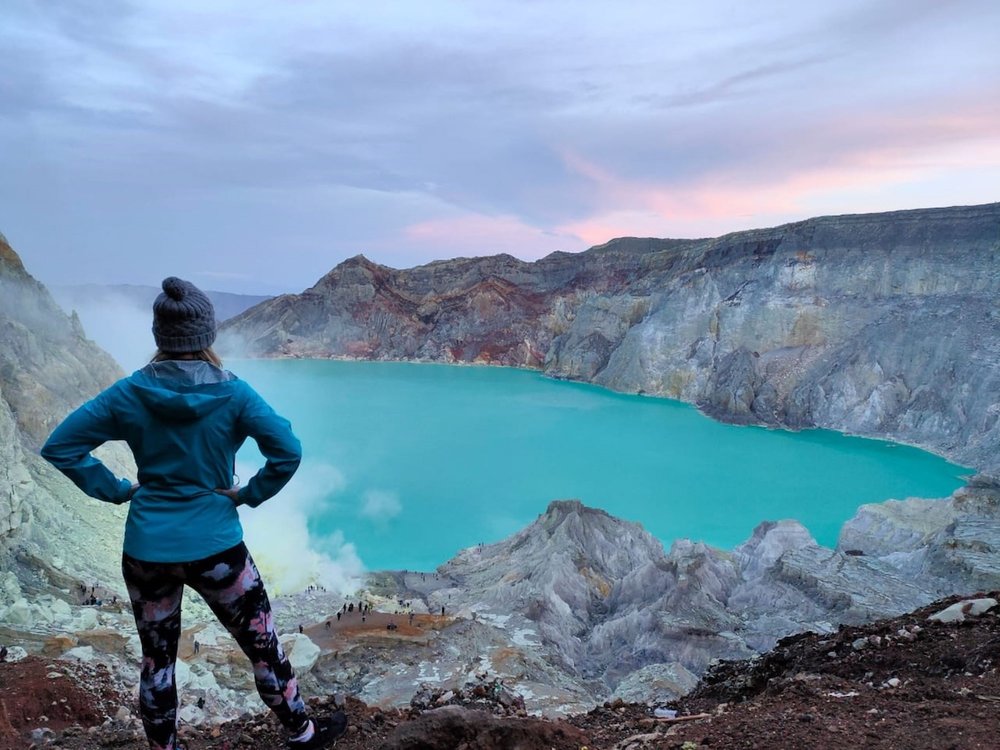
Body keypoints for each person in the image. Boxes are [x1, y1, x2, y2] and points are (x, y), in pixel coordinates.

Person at [41, 277, 347, 750]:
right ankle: (303, 735)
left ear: (159, 334)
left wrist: (118, 491)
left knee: (157, 662)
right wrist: (248, 494)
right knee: (262, 645)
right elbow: (287, 451)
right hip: (217, 548)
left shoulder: (128, 393)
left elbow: (61, 446)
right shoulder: (235, 394)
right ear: (208, 334)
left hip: (147, 550)